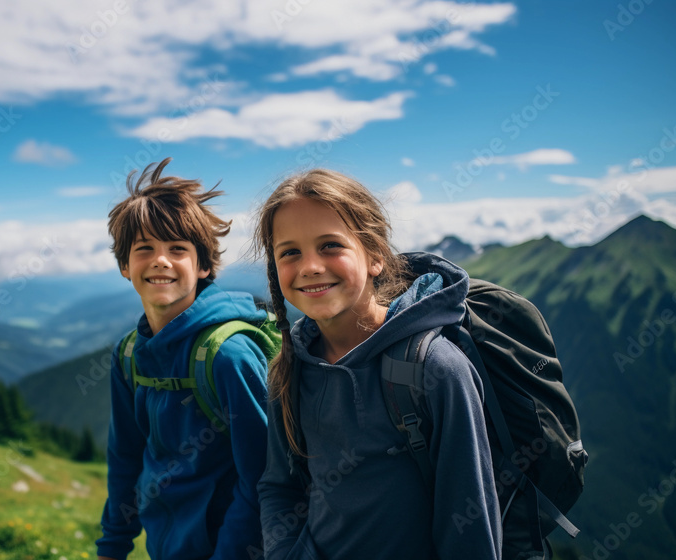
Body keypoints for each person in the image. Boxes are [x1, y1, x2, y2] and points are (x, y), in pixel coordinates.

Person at [254, 168, 502, 559]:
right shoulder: (288, 369)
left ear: (375, 257)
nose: (310, 267)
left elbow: (470, 524)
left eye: (331, 246)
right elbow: (278, 486)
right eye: (290, 252)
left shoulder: (436, 369)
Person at [97, 158, 270, 560]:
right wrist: (113, 545)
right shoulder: (128, 355)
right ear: (125, 266)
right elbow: (125, 457)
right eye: (144, 249)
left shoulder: (229, 355)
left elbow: (262, 479)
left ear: (204, 265)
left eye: (178, 249)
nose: (161, 260)